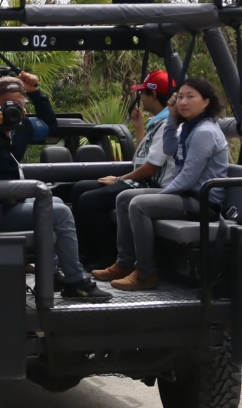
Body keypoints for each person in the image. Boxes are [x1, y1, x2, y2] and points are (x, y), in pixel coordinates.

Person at [0, 72, 112, 302]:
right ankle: (75, 282)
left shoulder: (21, 127)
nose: (15, 110)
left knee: (56, 202)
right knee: (59, 211)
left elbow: (51, 126)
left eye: (20, 104)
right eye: (8, 105)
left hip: (11, 201)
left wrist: (36, 94)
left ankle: (50, 274)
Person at [95, 76, 231, 292]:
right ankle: (125, 263)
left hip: (202, 202)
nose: (184, 102)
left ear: (206, 102)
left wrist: (159, 195)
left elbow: (188, 177)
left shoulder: (205, 131)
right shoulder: (190, 127)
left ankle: (146, 273)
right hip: (186, 196)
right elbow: (169, 147)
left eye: (191, 97)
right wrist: (173, 119)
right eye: (181, 97)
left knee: (139, 204)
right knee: (123, 198)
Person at [71, 70, 174, 265]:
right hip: (142, 178)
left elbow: (151, 168)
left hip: (152, 184)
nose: (140, 98)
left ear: (152, 95)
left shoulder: (168, 123)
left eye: (142, 93)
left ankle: (108, 258)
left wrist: (120, 180)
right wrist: (139, 128)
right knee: (79, 188)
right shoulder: (156, 121)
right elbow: (141, 158)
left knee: (90, 200)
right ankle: (85, 254)